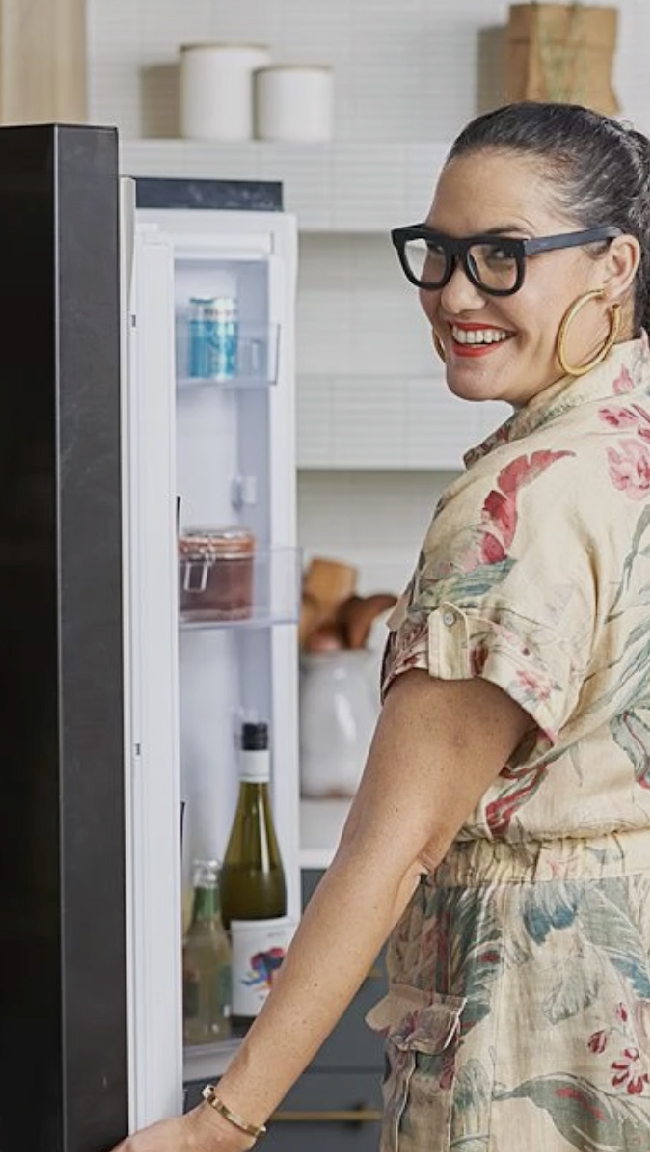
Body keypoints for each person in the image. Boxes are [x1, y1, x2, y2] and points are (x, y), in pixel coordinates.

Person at [109, 100, 650, 1152]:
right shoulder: (627, 434)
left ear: (611, 265)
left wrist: (226, 1119)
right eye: (437, 253)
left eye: (502, 257)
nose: (454, 294)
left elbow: (392, 848)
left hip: (527, 1032)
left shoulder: (524, 500)